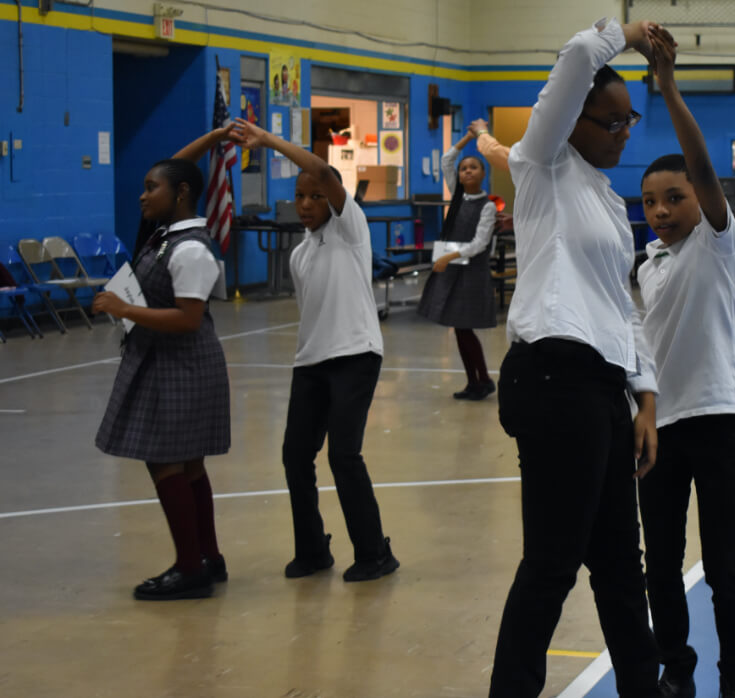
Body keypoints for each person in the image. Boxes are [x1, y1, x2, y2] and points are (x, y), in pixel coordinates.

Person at [488, 18, 665, 698]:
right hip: (554, 378)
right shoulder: (541, 164)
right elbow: (574, 59)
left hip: (603, 389)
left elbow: (621, 307)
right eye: (610, 121)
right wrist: (629, 33)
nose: (624, 132)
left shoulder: (610, 202)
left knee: (622, 564)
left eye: (630, 121)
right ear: (574, 119)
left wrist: (645, 397)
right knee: (554, 563)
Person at [635, 29, 735, 698]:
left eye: (672, 199)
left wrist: (667, 85)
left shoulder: (717, 242)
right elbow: (647, 348)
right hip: (658, 428)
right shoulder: (647, 265)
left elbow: (705, 170)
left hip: (716, 421)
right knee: (660, 564)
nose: (660, 212)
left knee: (722, 565)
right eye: (650, 202)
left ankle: (734, 682)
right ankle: (675, 671)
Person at [233, 117, 399, 582]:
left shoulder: (352, 231)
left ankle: (375, 552)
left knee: (344, 454)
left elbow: (324, 172)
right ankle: (312, 550)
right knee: (294, 455)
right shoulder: (300, 253)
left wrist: (267, 140)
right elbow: (312, 314)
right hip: (311, 362)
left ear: (332, 199)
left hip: (356, 355)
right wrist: (304, 357)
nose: (305, 204)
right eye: (299, 197)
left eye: (314, 197)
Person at [92, 127, 237, 600]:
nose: (142, 195)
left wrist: (123, 309)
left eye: (151, 188)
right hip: (162, 361)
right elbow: (177, 165)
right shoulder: (162, 233)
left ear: (181, 196)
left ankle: (190, 569)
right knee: (189, 465)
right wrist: (214, 136)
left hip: (183, 364)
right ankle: (207, 559)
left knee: (166, 463)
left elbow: (189, 318)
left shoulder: (191, 247)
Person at [417, 128, 499, 400]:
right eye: (464, 168)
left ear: (483, 174)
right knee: (460, 329)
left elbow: (479, 244)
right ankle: (474, 382)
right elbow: (446, 160)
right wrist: (468, 137)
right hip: (452, 268)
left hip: (471, 272)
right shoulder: (456, 196)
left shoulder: (487, 207)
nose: (467, 172)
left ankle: (483, 379)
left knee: (466, 328)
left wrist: (447, 258)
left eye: (473, 167)